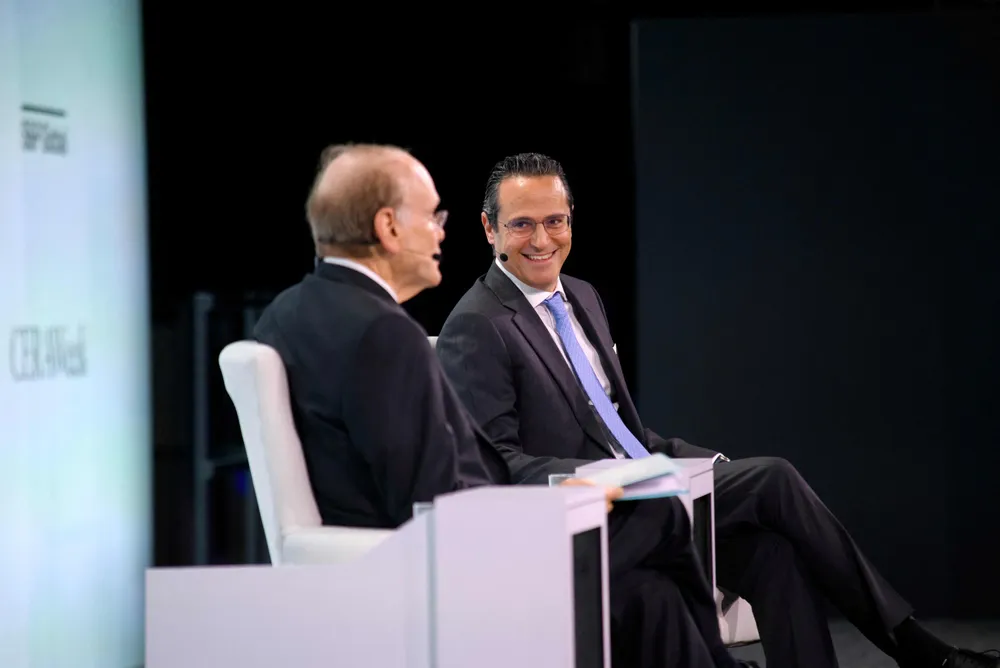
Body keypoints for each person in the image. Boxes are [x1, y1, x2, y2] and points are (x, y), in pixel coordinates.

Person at [434, 152, 1000, 668]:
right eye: (522, 224)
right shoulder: (478, 324)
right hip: (588, 517)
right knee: (775, 477)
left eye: (555, 221)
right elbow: (497, 462)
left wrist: (700, 463)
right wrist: (612, 478)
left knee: (775, 554)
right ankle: (920, 650)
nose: (541, 239)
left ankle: (910, 653)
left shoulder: (581, 295)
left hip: (651, 489)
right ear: (489, 229)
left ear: (571, 220)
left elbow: (620, 430)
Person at [252, 142, 756, 668]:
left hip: (375, 552)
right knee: (656, 510)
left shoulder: (287, 314)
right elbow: (430, 498)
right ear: (388, 227)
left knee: (652, 595)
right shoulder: (385, 333)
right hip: (444, 562)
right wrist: (546, 503)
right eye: (431, 216)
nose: (440, 233)